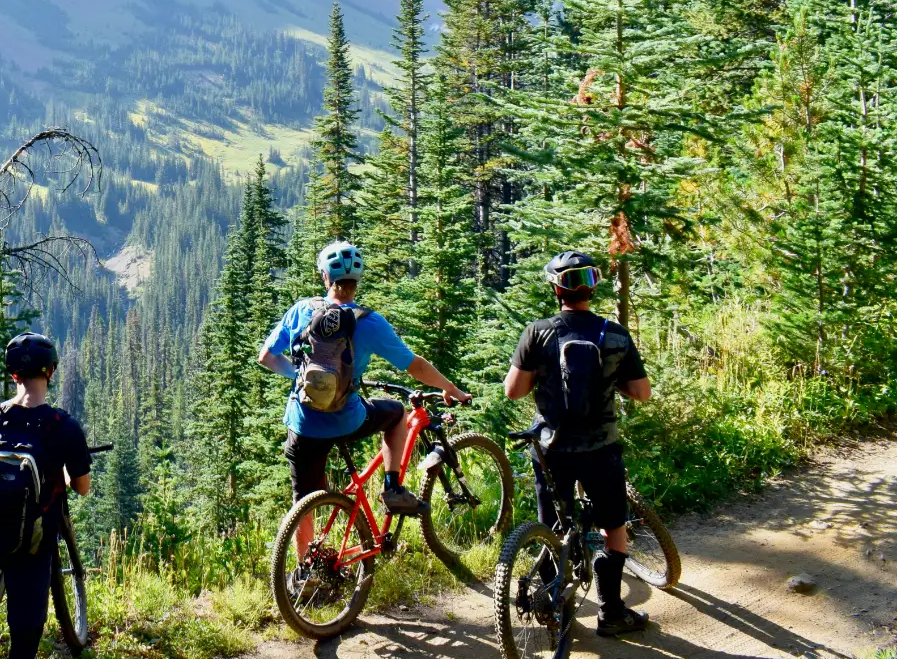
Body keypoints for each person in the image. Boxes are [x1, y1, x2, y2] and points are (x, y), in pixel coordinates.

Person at [258, 239, 471, 517]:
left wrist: (297, 373)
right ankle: (392, 487)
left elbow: (266, 357)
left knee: (302, 503)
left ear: (326, 277)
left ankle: (305, 561)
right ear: (357, 280)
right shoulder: (369, 322)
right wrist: (450, 388)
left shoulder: (301, 311)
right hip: (348, 418)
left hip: (303, 421)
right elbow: (415, 366)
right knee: (396, 413)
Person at [503, 250, 653, 638]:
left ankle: (555, 606)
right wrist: (611, 380)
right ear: (593, 285)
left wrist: (541, 375)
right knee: (613, 527)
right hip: (601, 449)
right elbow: (641, 392)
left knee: (552, 526)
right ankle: (612, 613)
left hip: (552, 449)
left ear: (556, 289)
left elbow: (513, 391)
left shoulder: (538, 332)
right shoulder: (615, 334)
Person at [0, 332, 92, 659]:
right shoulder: (64, 427)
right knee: (25, 635)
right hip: (32, 545)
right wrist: (61, 477)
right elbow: (82, 487)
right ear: (50, 372)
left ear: (13, 374)